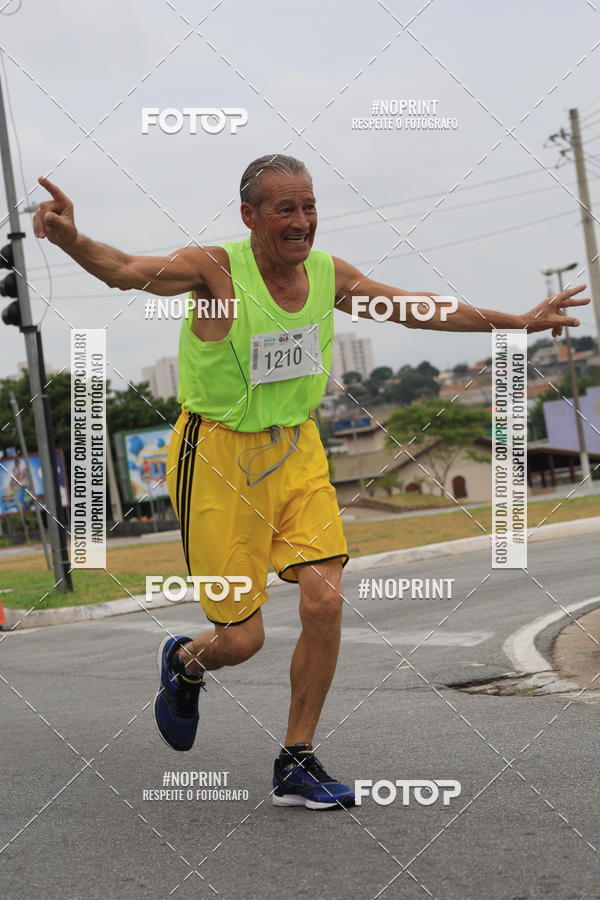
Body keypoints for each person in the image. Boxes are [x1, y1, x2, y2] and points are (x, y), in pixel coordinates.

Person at [34, 154, 588, 811]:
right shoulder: (214, 270)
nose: (302, 222)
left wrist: (515, 322)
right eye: (284, 209)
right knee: (241, 640)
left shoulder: (329, 275)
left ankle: (296, 760)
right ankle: (186, 662)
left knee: (325, 598)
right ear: (250, 217)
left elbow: (416, 310)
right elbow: (128, 272)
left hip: (297, 450)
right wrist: (72, 239)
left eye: (309, 207)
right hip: (216, 460)